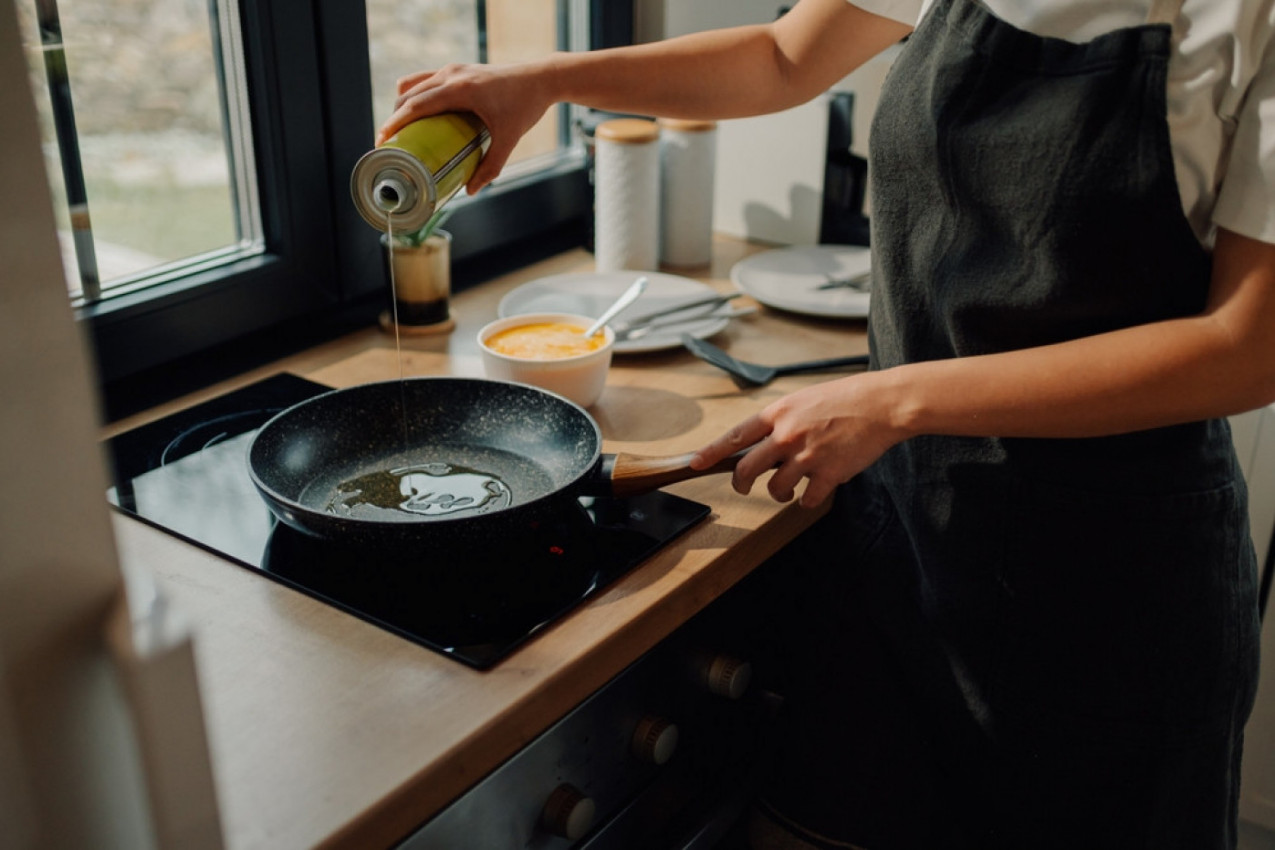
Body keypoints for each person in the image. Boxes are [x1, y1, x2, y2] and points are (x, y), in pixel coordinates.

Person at [378, 0, 1274, 846]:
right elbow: (781, 56)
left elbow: (1245, 346)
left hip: (1113, 591)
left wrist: (889, 400)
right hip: (908, 537)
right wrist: (544, 79)